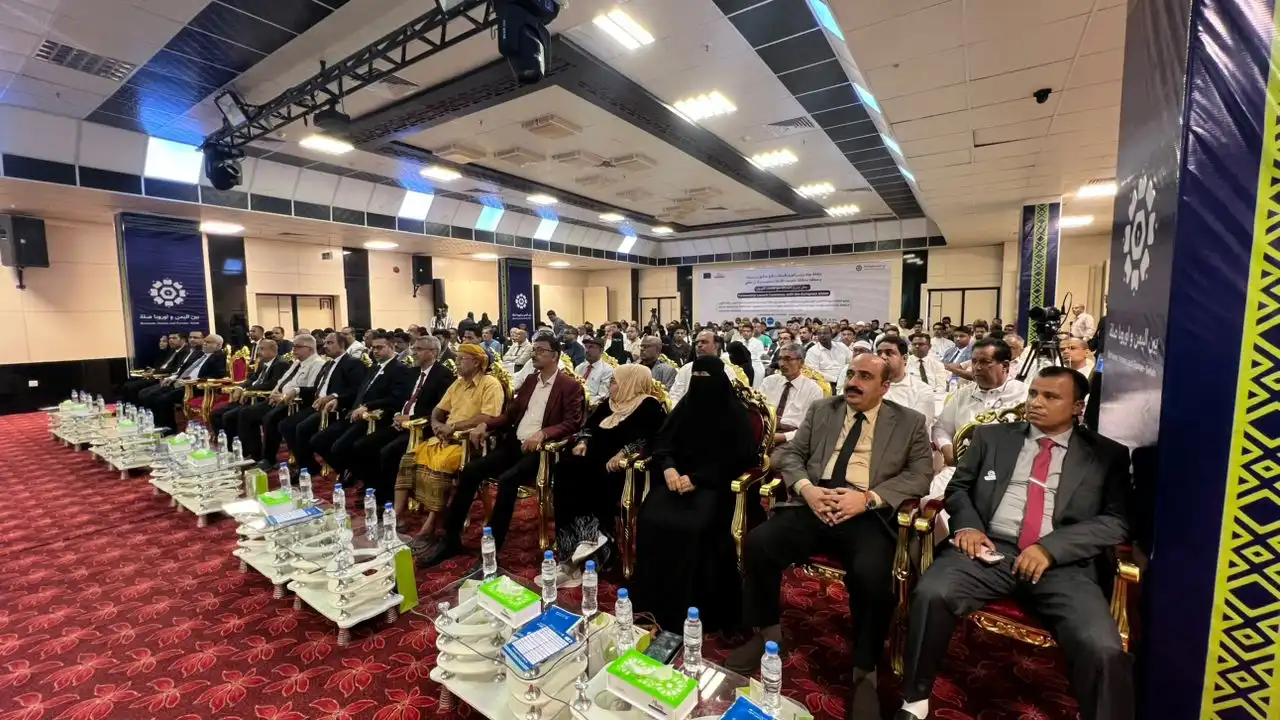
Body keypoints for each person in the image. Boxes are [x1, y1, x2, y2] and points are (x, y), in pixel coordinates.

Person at [897, 368, 1132, 720]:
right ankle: (915, 699)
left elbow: (1117, 521)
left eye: (1051, 397)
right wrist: (969, 527)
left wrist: (1052, 549)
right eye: (1034, 393)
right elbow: (958, 489)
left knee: (1101, 646)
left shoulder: (1106, 454)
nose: (1036, 402)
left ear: (1077, 407)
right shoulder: (992, 437)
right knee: (932, 593)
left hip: (1062, 564)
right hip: (990, 549)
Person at [728, 353, 933, 698]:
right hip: (814, 503)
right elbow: (789, 454)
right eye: (851, 374)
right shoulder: (823, 409)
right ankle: (768, 633)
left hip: (866, 514)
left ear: (885, 386)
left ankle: (864, 669)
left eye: (865, 376)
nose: (852, 382)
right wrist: (807, 489)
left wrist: (868, 498)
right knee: (759, 543)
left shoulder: (909, 421)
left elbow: (921, 475)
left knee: (873, 575)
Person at [418, 334, 586, 567]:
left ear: (555, 355)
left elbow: (572, 424)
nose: (535, 354)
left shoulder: (570, 386)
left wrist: (543, 434)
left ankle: (491, 549)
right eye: (534, 349)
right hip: (514, 444)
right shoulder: (531, 381)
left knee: (508, 480)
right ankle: (450, 538)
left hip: (542, 451)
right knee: (471, 470)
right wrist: (486, 425)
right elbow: (510, 415)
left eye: (541, 350)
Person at [631, 355, 758, 632]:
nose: (700, 383)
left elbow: (739, 458)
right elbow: (663, 441)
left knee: (693, 527)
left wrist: (698, 479)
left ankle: (692, 607)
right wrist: (668, 467)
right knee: (651, 517)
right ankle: (652, 601)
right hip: (675, 481)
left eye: (706, 377)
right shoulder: (685, 407)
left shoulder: (734, 414)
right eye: (696, 376)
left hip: (714, 486)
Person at [553, 364, 666, 582]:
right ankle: (571, 548)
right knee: (563, 470)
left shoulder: (649, 406)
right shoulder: (609, 403)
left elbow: (651, 439)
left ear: (629, 383)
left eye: (614, 381)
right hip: (593, 459)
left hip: (622, 469)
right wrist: (583, 442)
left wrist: (624, 453)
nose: (610, 385)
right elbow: (588, 427)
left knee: (587, 476)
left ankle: (594, 543)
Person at [404, 344, 505, 544]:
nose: (455, 362)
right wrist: (436, 424)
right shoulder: (458, 383)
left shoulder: (490, 384)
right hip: (447, 437)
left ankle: (431, 522)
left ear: (476, 363)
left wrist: (453, 427)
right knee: (409, 459)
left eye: (461, 359)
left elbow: (488, 418)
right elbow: (438, 409)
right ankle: (397, 514)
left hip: (472, 442)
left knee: (441, 465)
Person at [311, 331, 415, 488]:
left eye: (380, 347)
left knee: (343, 447)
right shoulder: (374, 367)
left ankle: (363, 478)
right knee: (319, 441)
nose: (375, 351)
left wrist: (368, 407)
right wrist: (339, 400)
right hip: (355, 413)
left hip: (376, 417)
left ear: (391, 347)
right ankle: (350, 471)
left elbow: (396, 398)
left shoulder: (400, 369)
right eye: (373, 348)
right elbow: (359, 391)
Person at [372, 336, 457, 515]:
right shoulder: (412, 372)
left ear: (432, 352)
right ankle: (375, 491)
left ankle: (389, 502)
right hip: (400, 423)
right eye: (413, 348)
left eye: (418, 349)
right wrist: (397, 415)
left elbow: (441, 410)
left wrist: (410, 418)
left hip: (422, 428)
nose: (413, 353)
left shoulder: (443, 375)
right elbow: (401, 399)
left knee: (388, 452)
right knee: (366, 444)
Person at [279, 332, 366, 475]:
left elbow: (356, 389)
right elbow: (317, 388)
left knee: (302, 428)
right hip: (318, 404)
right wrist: (297, 390)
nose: (325, 346)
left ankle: (314, 468)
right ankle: (307, 466)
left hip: (336, 407)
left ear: (342, 345)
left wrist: (334, 397)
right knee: (286, 425)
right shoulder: (328, 363)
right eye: (325, 343)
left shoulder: (352, 363)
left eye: (330, 343)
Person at [238, 334, 325, 466]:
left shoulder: (317, 364)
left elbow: (311, 389)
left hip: (296, 403)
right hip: (279, 398)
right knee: (246, 413)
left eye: (297, 347)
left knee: (270, 419)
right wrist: (274, 393)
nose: (293, 350)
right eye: (293, 346)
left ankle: (269, 458)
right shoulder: (297, 363)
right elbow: (282, 381)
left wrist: (283, 397)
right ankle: (254, 453)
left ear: (309, 348)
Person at [145, 333, 228, 431]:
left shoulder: (219, 356)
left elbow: (218, 375)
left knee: (163, 399)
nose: (204, 344)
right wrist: (173, 378)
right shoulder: (201, 354)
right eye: (204, 341)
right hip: (181, 382)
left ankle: (169, 428)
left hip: (196, 386)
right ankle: (157, 424)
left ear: (218, 346)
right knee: (152, 395)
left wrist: (195, 380)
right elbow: (185, 369)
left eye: (208, 342)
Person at [212, 338, 287, 439]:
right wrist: (240, 387)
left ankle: (239, 444)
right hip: (248, 396)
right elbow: (252, 378)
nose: (258, 352)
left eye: (262, 349)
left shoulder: (281, 363)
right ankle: (225, 442)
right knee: (216, 414)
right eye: (258, 349)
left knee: (229, 416)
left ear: (272, 350)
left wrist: (246, 390)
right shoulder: (262, 362)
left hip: (260, 398)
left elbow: (271, 385)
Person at [760, 342, 825, 445]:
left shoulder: (813, 390)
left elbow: (811, 427)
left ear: (801, 362)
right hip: (764, 432)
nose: (782, 364)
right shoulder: (769, 382)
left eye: (788, 359)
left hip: (793, 439)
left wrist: (784, 437)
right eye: (780, 359)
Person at [878, 337, 938, 432]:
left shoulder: (922, 390)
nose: (883, 357)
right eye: (879, 353)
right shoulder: (869, 386)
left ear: (905, 358)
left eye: (889, 353)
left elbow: (916, 428)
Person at [669, 330, 738, 405]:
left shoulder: (727, 370)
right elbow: (675, 396)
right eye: (697, 343)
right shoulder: (686, 369)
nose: (699, 345)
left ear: (716, 346)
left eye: (704, 342)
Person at [805, 326, 852, 391]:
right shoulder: (812, 351)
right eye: (819, 333)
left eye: (825, 333)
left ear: (831, 334)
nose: (822, 335)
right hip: (826, 383)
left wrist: (847, 377)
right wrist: (836, 379)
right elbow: (814, 372)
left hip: (846, 379)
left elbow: (851, 361)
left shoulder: (841, 346)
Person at [577, 336, 615, 403]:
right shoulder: (579, 368)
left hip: (591, 405)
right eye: (586, 347)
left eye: (591, 347)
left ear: (601, 350)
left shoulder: (607, 370)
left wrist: (582, 403)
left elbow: (602, 396)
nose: (587, 350)